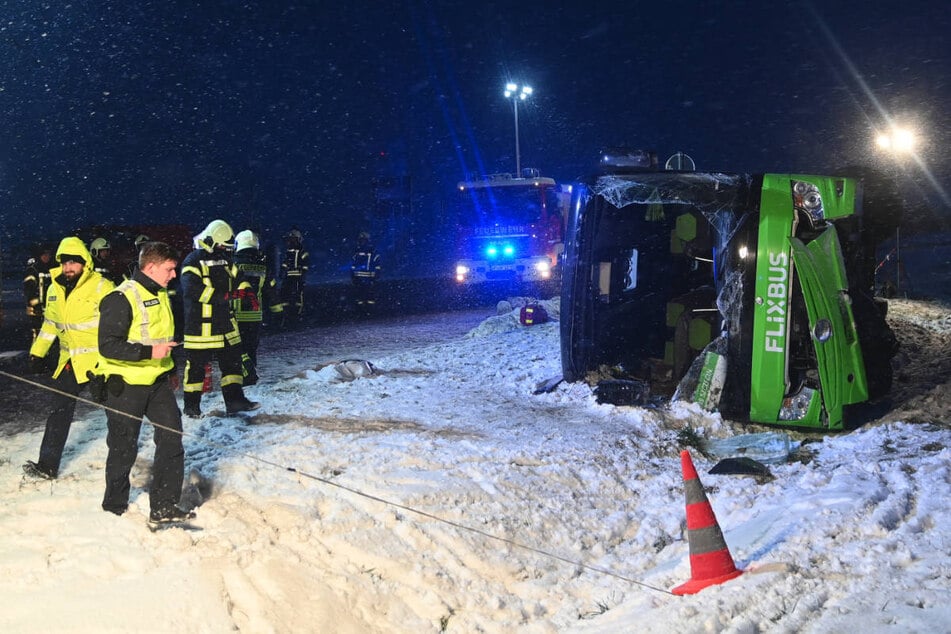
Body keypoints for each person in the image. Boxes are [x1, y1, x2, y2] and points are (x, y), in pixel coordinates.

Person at [96, 241, 194, 523]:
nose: (173, 275)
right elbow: (108, 346)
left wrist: (171, 369)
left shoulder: (161, 292)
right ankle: (114, 506)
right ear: (150, 267)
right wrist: (150, 352)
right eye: (169, 269)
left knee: (171, 438)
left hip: (158, 382)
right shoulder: (120, 298)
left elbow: (164, 338)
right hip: (126, 385)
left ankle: (163, 505)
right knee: (123, 447)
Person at [22, 237, 115, 480]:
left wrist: (113, 363)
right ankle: (47, 466)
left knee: (117, 415)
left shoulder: (102, 287)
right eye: (64, 263)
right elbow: (50, 325)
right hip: (69, 363)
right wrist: (37, 352)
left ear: (85, 263)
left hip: (99, 364)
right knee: (58, 413)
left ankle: (121, 465)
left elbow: (117, 327)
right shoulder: (54, 288)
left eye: (73, 263)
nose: (68, 268)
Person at [180, 219, 258, 417]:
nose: (225, 250)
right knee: (195, 371)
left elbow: (240, 279)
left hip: (226, 327)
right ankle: (191, 408)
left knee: (233, 367)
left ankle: (235, 402)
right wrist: (224, 297)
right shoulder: (192, 261)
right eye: (222, 246)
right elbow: (192, 290)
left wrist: (247, 292)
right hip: (201, 329)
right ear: (210, 241)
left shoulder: (226, 261)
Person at [232, 230, 282, 385]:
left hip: (236, 314)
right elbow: (271, 291)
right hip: (255, 315)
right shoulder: (263, 266)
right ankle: (250, 374)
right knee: (251, 348)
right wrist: (278, 313)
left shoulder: (233, 264)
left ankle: (243, 376)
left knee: (236, 349)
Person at [22, 244, 54, 342]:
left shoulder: (52, 268)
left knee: (51, 335)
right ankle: (36, 355)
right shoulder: (33, 270)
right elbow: (29, 291)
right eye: (44, 255)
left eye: (48, 254)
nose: (46, 257)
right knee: (38, 334)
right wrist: (36, 305)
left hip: (51, 308)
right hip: (37, 311)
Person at [279, 227, 309, 325]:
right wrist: (282, 271)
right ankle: (286, 313)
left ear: (297, 239)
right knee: (284, 294)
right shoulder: (289, 251)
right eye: (289, 239)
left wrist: (303, 275)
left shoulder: (302, 252)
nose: (290, 241)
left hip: (298, 277)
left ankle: (297, 313)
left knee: (298, 295)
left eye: (292, 239)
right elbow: (285, 263)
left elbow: (305, 264)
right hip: (288, 276)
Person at [350, 231, 382, 310]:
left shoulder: (361, 250)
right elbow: (353, 263)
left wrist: (377, 273)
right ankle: (365, 309)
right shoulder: (368, 250)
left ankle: (366, 309)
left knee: (365, 293)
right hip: (365, 276)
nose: (361, 241)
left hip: (365, 276)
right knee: (364, 293)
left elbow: (376, 262)